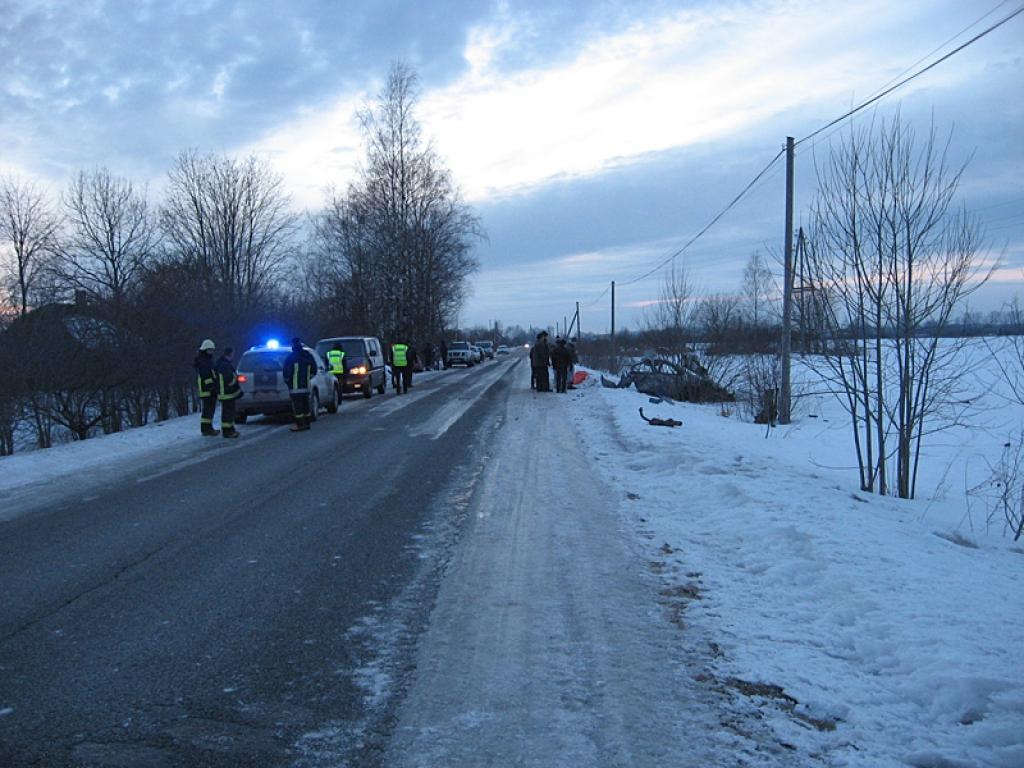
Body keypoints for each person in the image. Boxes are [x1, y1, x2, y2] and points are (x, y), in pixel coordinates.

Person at [283, 337, 317, 431]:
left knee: (297, 407)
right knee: (305, 404)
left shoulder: (291, 357)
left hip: (295, 387)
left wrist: (288, 382)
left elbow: (286, 372)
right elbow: (314, 369)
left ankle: (300, 424)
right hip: (306, 386)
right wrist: (308, 377)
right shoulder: (307, 355)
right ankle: (307, 423)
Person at [194, 338, 219, 436]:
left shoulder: (205, 359)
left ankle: (207, 428)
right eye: (210, 350)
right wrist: (211, 386)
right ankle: (206, 429)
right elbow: (206, 375)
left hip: (207, 389)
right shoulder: (204, 361)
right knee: (208, 410)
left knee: (209, 409)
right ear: (206, 349)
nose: (212, 352)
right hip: (207, 389)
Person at [214, 346, 242, 438]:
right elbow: (229, 379)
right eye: (233, 354)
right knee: (228, 413)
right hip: (226, 393)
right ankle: (228, 432)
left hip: (224, 392)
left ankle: (229, 430)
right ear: (230, 354)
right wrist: (236, 381)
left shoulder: (221, 363)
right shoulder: (225, 365)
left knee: (228, 412)